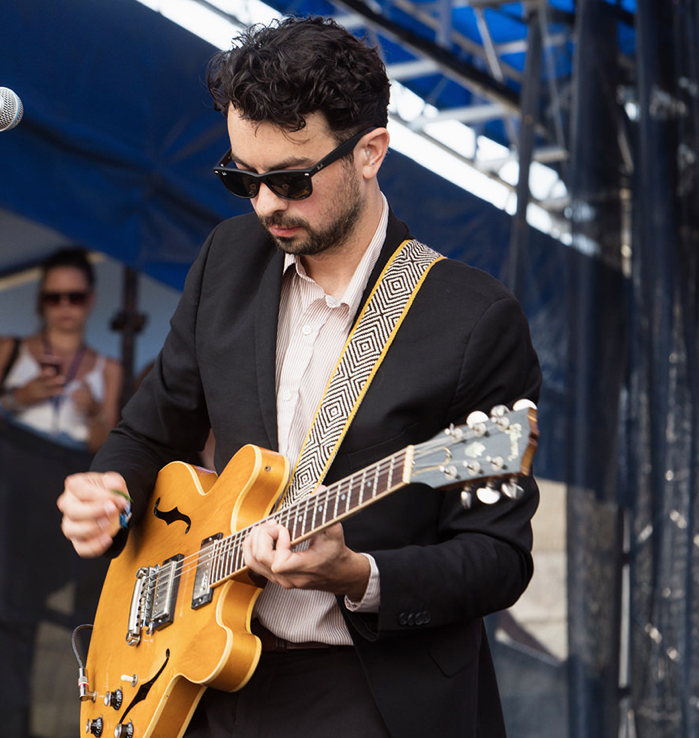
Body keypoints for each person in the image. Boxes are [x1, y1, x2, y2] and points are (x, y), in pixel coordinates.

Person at [57, 16, 542, 738]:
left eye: (289, 178)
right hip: (200, 674)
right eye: (240, 177)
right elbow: (149, 429)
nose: (263, 205)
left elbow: (498, 558)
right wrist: (111, 492)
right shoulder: (228, 259)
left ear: (370, 151)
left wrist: (357, 574)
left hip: (364, 690)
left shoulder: (474, 320)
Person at [0, 247, 123, 453]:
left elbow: (108, 453)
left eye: (75, 297)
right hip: (8, 467)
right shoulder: (9, 349)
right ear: (41, 300)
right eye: (54, 298)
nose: (64, 306)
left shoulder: (110, 368)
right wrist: (18, 399)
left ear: (91, 299)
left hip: (70, 476)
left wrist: (94, 413)